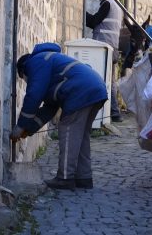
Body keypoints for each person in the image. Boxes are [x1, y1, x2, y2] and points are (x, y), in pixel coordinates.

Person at [9, 42, 108, 190]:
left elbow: (34, 95)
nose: (27, 82)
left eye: (24, 79)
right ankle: (83, 178)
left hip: (80, 91)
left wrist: (20, 125)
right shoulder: (52, 63)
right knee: (81, 136)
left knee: (68, 131)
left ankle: (65, 178)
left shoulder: (36, 62)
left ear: (24, 70)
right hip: (96, 88)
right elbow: (49, 109)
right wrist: (28, 129)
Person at [86, 0, 124, 122]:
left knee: (101, 80)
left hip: (103, 46)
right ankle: (114, 112)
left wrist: (83, 13)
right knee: (110, 81)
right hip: (113, 47)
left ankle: (103, 114)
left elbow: (95, 21)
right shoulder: (117, 7)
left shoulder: (107, 4)